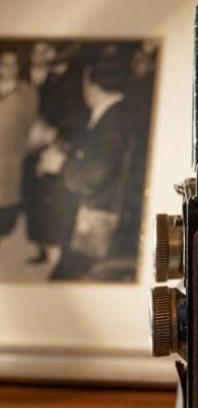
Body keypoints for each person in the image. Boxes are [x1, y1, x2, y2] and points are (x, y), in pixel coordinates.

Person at [47, 45, 134, 280]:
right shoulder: (113, 112)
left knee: (68, 279)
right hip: (96, 214)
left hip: (98, 219)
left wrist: (59, 164)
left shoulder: (114, 121)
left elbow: (91, 178)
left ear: (92, 83)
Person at [22, 42, 87, 264]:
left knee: (55, 199)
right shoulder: (38, 77)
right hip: (34, 145)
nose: (39, 55)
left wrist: (55, 137)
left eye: (45, 50)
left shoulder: (71, 79)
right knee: (36, 198)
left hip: (58, 146)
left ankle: (56, 250)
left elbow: (77, 116)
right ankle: (42, 246)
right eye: (36, 50)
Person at [0, 50, 38, 240]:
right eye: (4, 64)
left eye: (13, 64)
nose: (8, 68)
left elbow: (31, 126)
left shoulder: (28, 93)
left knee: (6, 208)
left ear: (19, 67)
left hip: (11, 159)